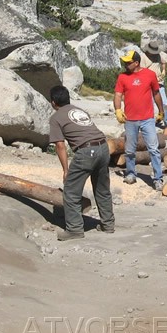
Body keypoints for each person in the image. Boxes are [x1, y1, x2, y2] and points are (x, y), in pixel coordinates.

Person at [48, 86, 115, 241]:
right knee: (102, 189)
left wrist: (65, 170)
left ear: (53, 102)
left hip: (86, 151)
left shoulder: (56, 118)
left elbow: (60, 146)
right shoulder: (80, 110)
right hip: (103, 147)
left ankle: (74, 229)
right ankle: (108, 224)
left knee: (71, 192)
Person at [114, 50, 165, 191]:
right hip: (130, 119)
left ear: (136, 63)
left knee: (153, 149)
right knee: (130, 149)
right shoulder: (122, 77)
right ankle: (130, 173)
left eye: (128, 62)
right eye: (124, 62)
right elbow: (118, 95)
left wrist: (161, 111)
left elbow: (156, 93)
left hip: (147, 119)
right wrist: (118, 110)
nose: (125, 64)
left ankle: (158, 178)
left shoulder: (150, 75)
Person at [140, 40, 167, 127]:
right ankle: (149, 122)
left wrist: (163, 70)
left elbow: (163, 62)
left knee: (165, 103)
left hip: (159, 83)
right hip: (148, 84)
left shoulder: (158, 55)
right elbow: (142, 71)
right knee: (149, 104)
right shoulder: (143, 57)